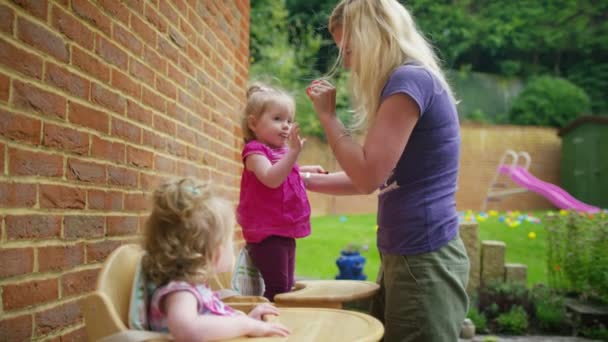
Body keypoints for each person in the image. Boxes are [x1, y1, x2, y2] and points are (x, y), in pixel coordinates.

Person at [305, 0, 470, 341]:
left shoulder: (409, 80)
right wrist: (303, 180)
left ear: (372, 38)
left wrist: (328, 118)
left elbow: (368, 177)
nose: (347, 62)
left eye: (349, 50)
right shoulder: (408, 81)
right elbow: (377, 175)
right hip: (409, 254)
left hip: (423, 259)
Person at [142, 177, 290, 341]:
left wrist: (249, 319)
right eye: (229, 239)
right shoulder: (181, 292)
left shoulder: (197, 288)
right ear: (213, 251)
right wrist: (244, 325)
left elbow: (211, 323)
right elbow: (186, 330)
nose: (232, 244)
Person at [236, 83, 325, 301]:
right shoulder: (254, 152)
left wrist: (303, 169)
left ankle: (278, 323)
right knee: (278, 288)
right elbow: (272, 178)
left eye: (288, 120)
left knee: (287, 285)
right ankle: (270, 323)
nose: (285, 126)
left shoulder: (279, 151)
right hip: (266, 233)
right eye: (277, 119)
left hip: (283, 229)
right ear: (254, 123)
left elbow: (284, 171)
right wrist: (294, 154)